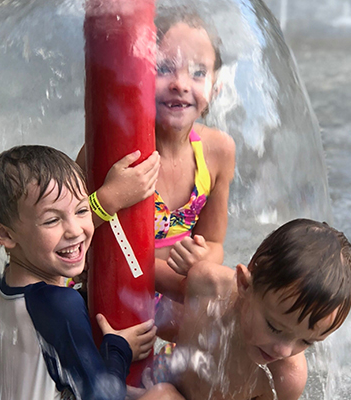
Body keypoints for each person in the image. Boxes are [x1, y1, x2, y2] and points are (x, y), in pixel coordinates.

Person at [77, 10, 238, 302]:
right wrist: (108, 198)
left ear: (216, 88)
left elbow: (215, 241)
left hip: (172, 300)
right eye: (163, 68)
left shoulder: (218, 152)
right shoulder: (110, 151)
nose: (181, 83)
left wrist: (202, 257)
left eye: (198, 72)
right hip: (113, 296)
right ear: (136, 77)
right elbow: (68, 229)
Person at [0, 145, 157, 400]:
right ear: (5, 234)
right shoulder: (61, 304)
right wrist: (119, 349)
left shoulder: (10, 282)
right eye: (52, 220)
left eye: (82, 210)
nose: (75, 230)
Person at [139, 219, 351, 400]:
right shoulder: (208, 285)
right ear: (244, 284)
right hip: (168, 376)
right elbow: (141, 271)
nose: (283, 350)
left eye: (306, 342)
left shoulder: (287, 379)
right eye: (275, 327)